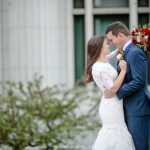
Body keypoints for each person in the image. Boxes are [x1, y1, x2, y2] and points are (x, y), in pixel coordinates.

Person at [84, 35, 135, 150]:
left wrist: (127, 40)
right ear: (100, 47)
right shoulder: (98, 68)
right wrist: (123, 71)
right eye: (106, 44)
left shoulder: (103, 61)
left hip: (114, 103)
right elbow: (112, 89)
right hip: (111, 107)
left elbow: (112, 54)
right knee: (114, 135)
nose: (109, 45)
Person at [105, 21, 150, 150]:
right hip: (128, 109)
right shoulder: (124, 51)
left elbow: (139, 81)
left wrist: (117, 92)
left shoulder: (134, 53)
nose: (111, 43)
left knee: (140, 147)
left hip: (138, 110)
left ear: (120, 35)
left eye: (111, 39)